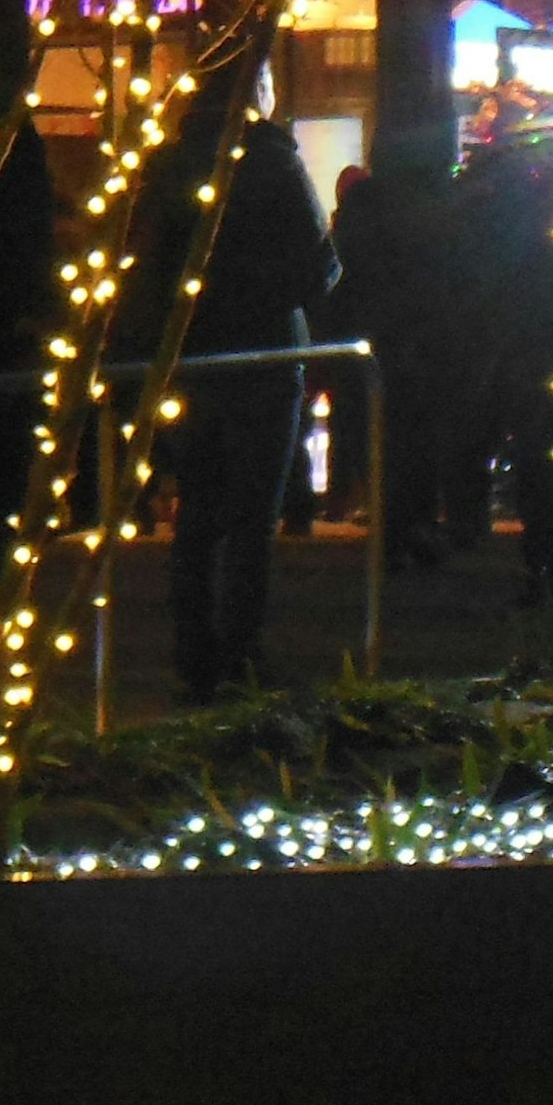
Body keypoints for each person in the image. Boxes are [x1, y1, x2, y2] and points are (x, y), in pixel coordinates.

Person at [141, 53, 334, 701]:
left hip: (194, 352)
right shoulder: (274, 160)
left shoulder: (173, 161)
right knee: (254, 512)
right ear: (258, 91)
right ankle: (241, 649)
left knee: (198, 507)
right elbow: (318, 265)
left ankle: (191, 649)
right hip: (265, 353)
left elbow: (150, 266)